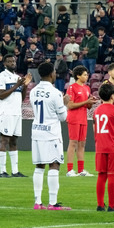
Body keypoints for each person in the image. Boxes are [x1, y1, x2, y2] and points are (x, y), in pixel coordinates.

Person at [30, 62, 70, 210]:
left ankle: (38, 202)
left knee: (39, 166)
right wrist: (65, 103)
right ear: (51, 74)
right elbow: (63, 117)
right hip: (51, 133)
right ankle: (53, 203)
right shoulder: (55, 93)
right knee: (54, 164)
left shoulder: (33, 91)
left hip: (37, 131)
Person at [92, 82, 114, 212]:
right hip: (113, 146)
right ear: (112, 96)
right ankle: (112, 205)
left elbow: (94, 128)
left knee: (101, 175)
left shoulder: (97, 110)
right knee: (112, 175)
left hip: (100, 146)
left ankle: (100, 205)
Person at [0, 55, 29, 178]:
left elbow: (21, 98)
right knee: (4, 140)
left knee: (14, 141)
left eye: (13, 61)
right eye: (9, 61)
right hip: (7, 112)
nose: (12, 63)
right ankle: (2, 171)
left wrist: (24, 86)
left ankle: (15, 171)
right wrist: (16, 85)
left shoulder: (17, 77)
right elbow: (1, 95)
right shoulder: (1, 77)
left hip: (17, 112)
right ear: (5, 63)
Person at [64, 65, 95, 177]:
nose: (87, 76)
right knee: (73, 143)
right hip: (74, 118)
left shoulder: (87, 88)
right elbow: (70, 105)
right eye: (85, 74)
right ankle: (70, 170)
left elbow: (87, 106)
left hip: (83, 118)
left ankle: (81, 170)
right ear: (78, 76)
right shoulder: (72, 87)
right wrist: (86, 101)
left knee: (82, 144)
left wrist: (90, 102)